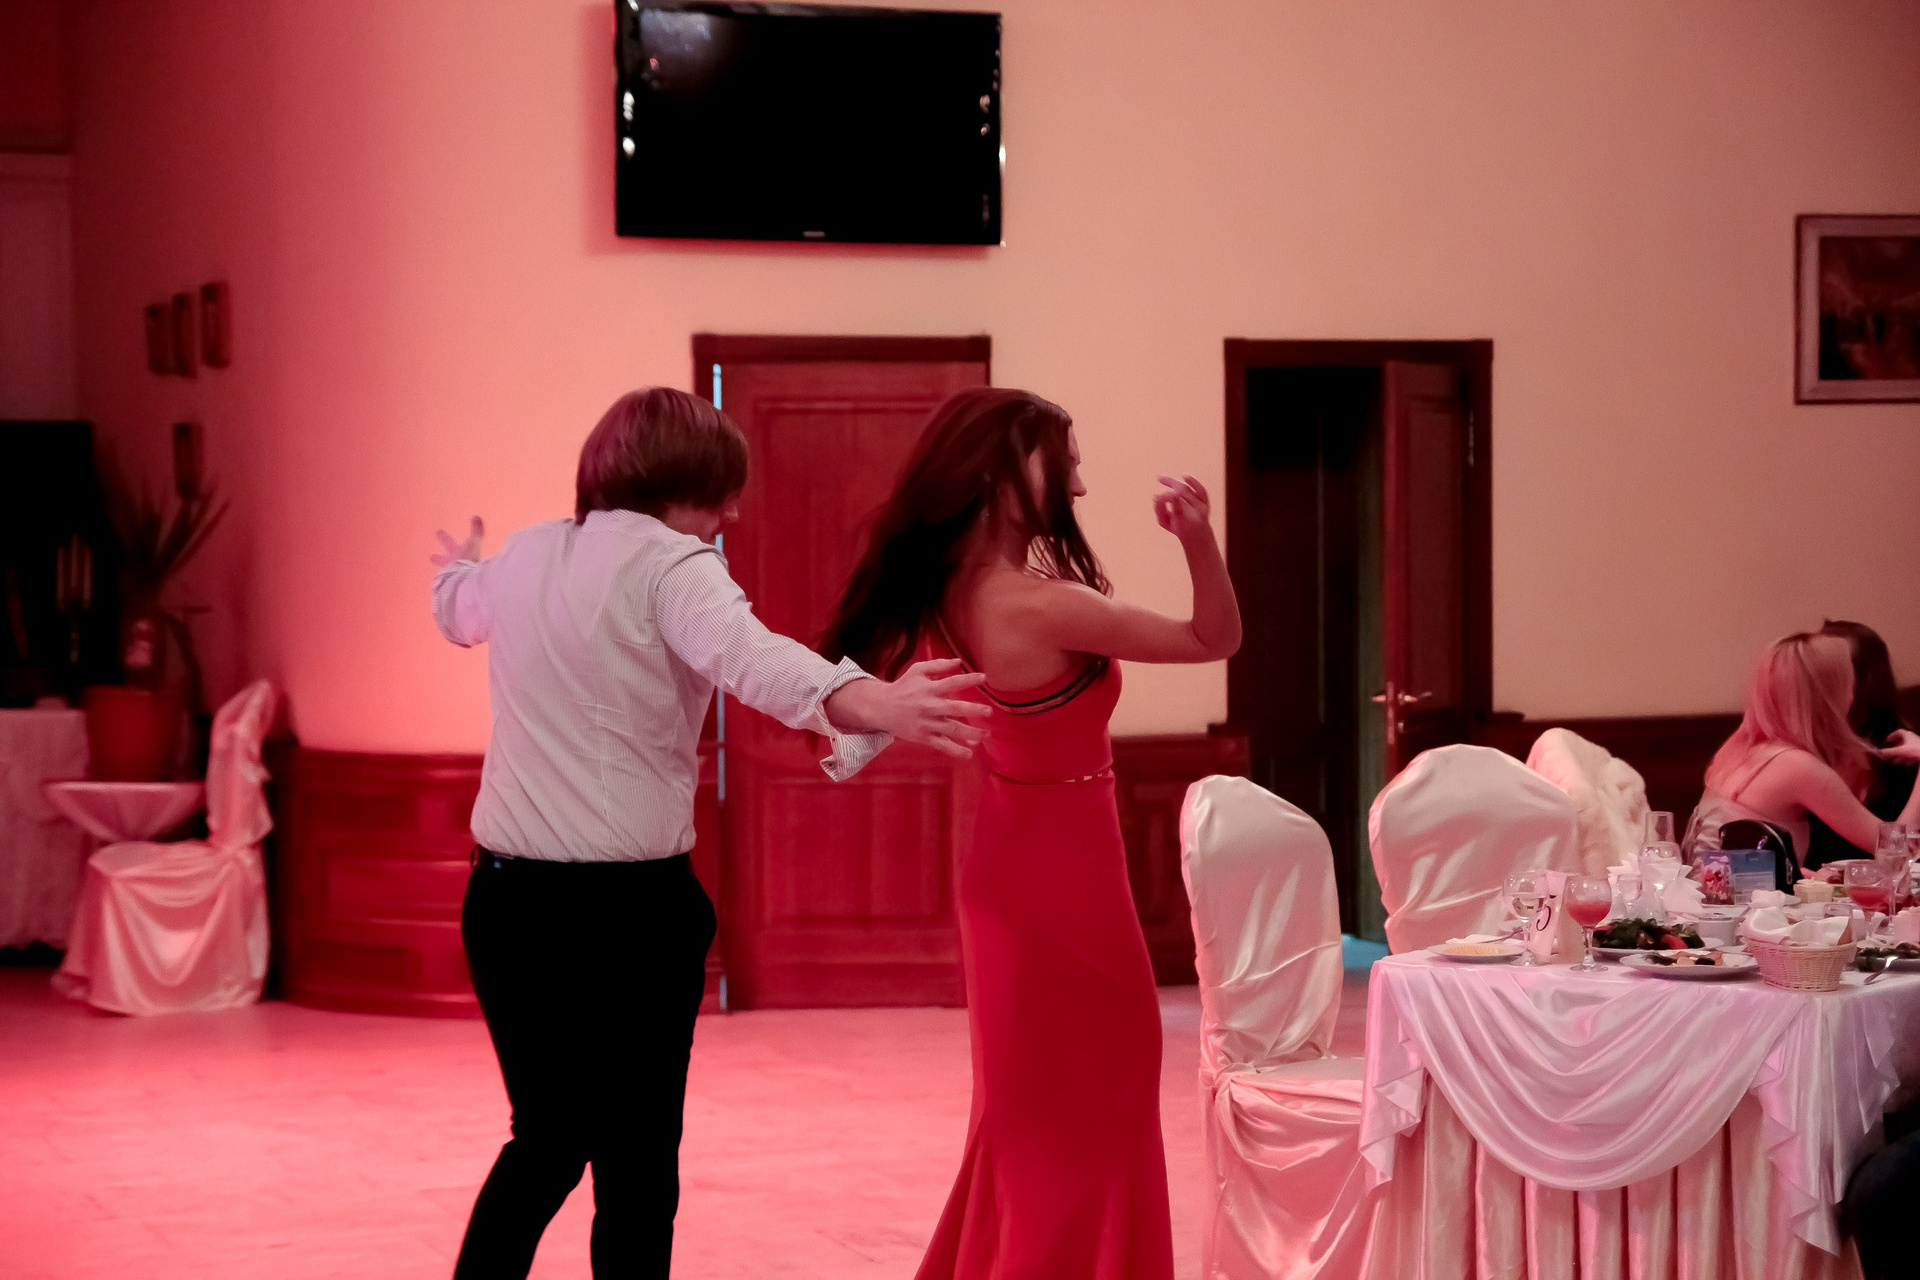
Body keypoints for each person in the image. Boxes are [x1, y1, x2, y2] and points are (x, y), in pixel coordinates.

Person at [430, 387, 989, 1280]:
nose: (732, 514)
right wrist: (878, 700)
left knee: (546, 1141)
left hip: (507, 908)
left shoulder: (527, 555)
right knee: (635, 1160)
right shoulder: (673, 566)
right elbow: (754, 658)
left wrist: (458, 565)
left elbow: (458, 606)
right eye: (723, 493)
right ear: (677, 482)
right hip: (628, 917)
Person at [822, 387, 1241, 1280]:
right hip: (1063, 885)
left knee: (1032, 1117)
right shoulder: (1036, 605)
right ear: (1001, 474)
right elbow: (1214, 637)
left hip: (1019, 869)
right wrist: (1198, 537)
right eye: (1068, 462)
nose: (1081, 485)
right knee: (1095, 1104)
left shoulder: (952, 590)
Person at [1684, 631, 1920, 868]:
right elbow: (1896, 850)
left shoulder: (1737, 750)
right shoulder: (1800, 767)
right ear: (1832, 694)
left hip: (1700, 890)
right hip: (1730, 894)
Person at [1804, 619, 1918, 868]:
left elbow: (1899, 859)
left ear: (1865, 683)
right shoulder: (1799, 751)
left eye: (1828, 671)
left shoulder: (1906, 756)